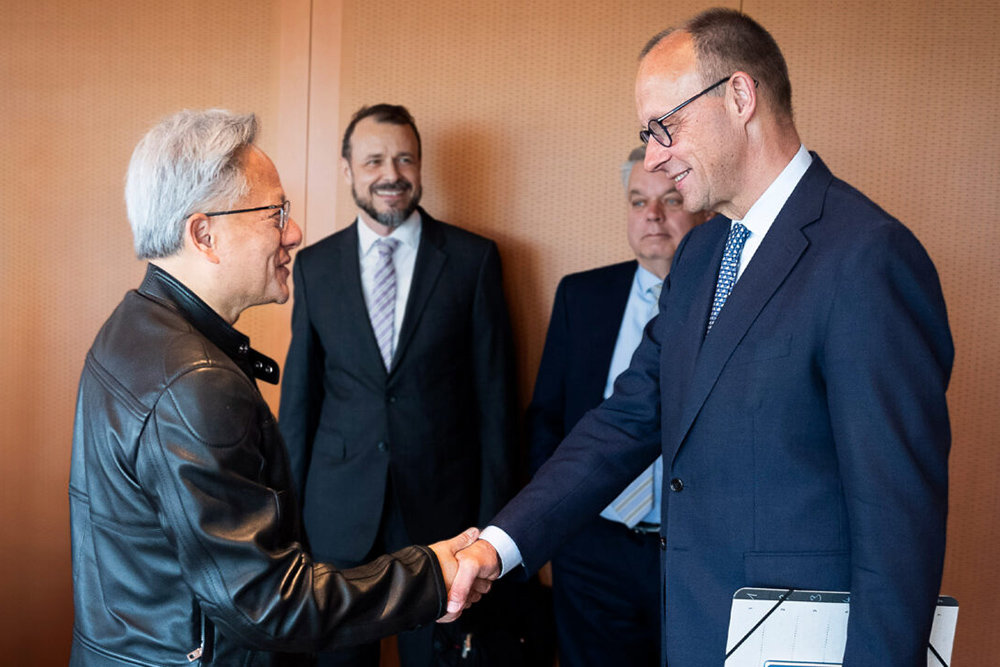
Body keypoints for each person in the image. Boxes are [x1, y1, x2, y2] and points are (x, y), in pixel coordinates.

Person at [450, 8, 954, 666]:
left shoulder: (867, 256)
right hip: (693, 632)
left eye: (666, 127)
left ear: (740, 96)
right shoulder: (700, 255)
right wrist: (497, 546)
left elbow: (897, 526)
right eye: (648, 135)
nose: (655, 157)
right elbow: (627, 419)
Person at [68, 109, 480, 667]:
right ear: (204, 234)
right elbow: (267, 604)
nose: (295, 233)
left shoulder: (131, 327)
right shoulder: (195, 385)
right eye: (276, 213)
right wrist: (431, 574)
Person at [279, 103, 517, 667]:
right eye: (375, 161)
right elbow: (300, 402)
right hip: (336, 517)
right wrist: (287, 521)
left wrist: (498, 529)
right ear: (348, 170)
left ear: (420, 165)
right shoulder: (314, 267)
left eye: (405, 159)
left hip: (442, 521)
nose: (392, 174)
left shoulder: (473, 260)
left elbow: (497, 405)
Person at [525, 147, 710, 666]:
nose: (652, 215)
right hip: (593, 549)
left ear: (702, 210)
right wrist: (553, 532)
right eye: (638, 201)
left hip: (693, 554)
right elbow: (546, 419)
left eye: (671, 199)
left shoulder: (734, 301)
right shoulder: (582, 296)